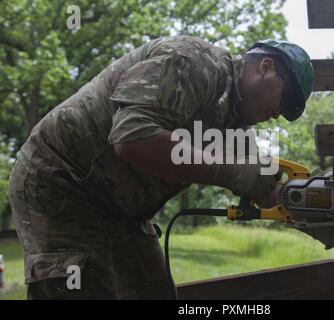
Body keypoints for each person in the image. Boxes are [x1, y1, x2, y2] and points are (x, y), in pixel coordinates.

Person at [8, 35, 314, 299]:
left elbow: (268, 191)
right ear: (266, 67)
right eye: (285, 99)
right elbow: (132, 138)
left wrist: (322, 203)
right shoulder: (192, 62)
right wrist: (230, 172)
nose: (279, 114)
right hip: (61, 186)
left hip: (120, 211)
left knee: (153, 293)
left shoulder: (235, 126)